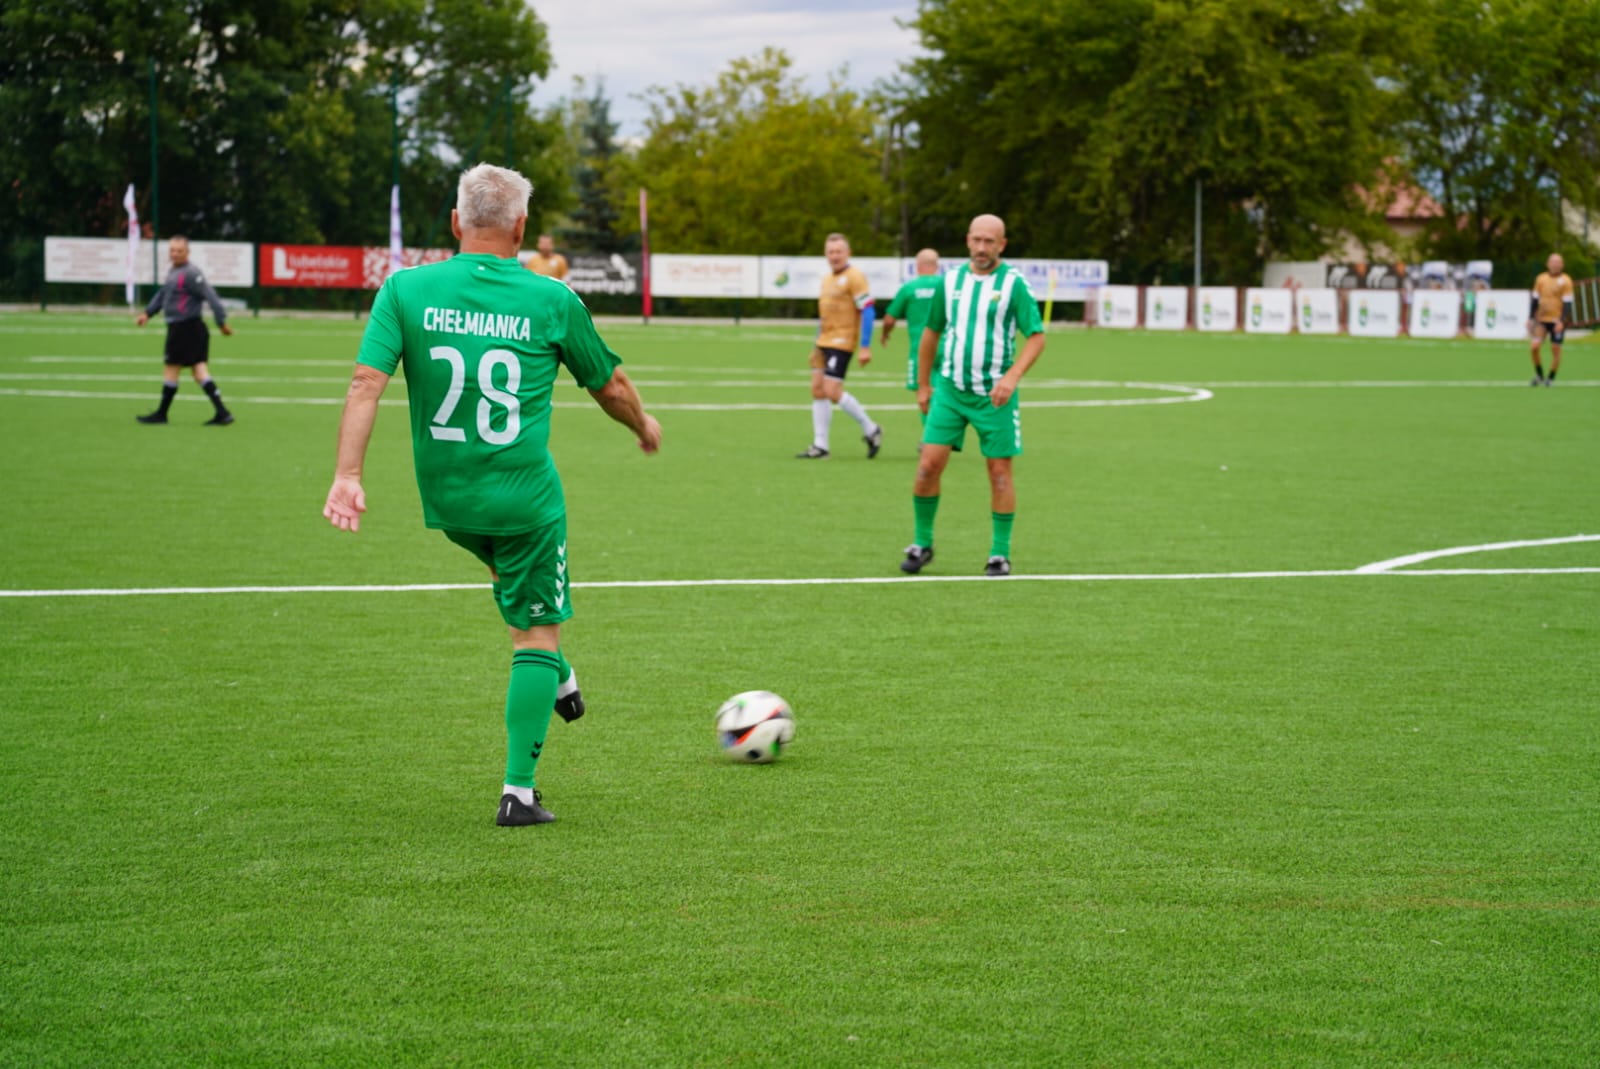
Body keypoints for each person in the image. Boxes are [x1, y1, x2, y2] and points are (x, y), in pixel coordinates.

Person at [322, 163, 662, 827]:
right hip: (523, 500)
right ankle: (519, 792)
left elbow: (366, 384)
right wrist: (642, 424)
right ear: (521, 227)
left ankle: (557, 675)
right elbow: (610, 386)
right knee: (535, 629)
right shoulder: (552, 297)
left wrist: (348, 475)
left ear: (456, 222)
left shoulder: (405, 288)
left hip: (450, 501)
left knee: (514, 585)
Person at [900, 214, 1046, 578]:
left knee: (999, 473)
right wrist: (923, 385)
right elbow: (931, 332)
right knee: (927, 466)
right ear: (968, 240)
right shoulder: (950, 281)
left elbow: (1037, 337)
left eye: (989, 242)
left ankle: (999, 554)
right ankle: (922, 543)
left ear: (1002, 245)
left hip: (994, 396)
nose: (982, 248)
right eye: (977, 240)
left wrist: (1011, 378)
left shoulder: (1014, 284)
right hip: (950, 390)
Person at [796, 232, 884, 459]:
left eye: (839, 251)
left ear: (848, 253)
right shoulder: (827, 279)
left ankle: (871, 429)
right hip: (823, 341)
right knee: (817, 389)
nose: (834, 256)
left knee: (832, 391)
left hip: (842, 341)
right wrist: (816, 342)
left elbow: (868, 310)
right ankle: (821, 446)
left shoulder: (855, 277)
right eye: (831, 252)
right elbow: (824, 315)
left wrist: (865, 346)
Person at [134, 236, 235, 425]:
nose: (175, 254)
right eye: (172, 250)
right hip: (185, 328)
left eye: (179, 251)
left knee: (171, 369)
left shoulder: (191, 273)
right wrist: (147, 313)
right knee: (199, 372)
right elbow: (163, 294)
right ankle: (222, 413)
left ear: (187, 252)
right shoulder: (173, 271)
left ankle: (161, 414)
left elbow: (211, 296)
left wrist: (221, 322)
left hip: (186, 328)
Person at [880, 248, 943, 428]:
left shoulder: (910, 288)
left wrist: (885, 334)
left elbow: (889, 319)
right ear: (937, 266)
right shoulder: (945, 285)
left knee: (923, 393)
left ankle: (931, 436)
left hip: (920, 349)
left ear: (917, 266)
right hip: (946, 347)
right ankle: (945, 433)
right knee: (944, 393)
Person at [1528, 252, 1574, 386]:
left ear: (1562, 265)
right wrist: (1530, 318)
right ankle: (1539, 375)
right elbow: (1535, 299)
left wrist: (1562, 321)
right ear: (1548, 264)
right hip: (1541, 320)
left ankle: (1551, 378)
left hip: (1557, 321)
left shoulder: (1566, 280)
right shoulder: (1541, 278)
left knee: (1555, 349)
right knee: (1534, 347)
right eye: (1553, 262)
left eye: (1558, 262)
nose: (1555, 264)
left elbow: (1567, 303)